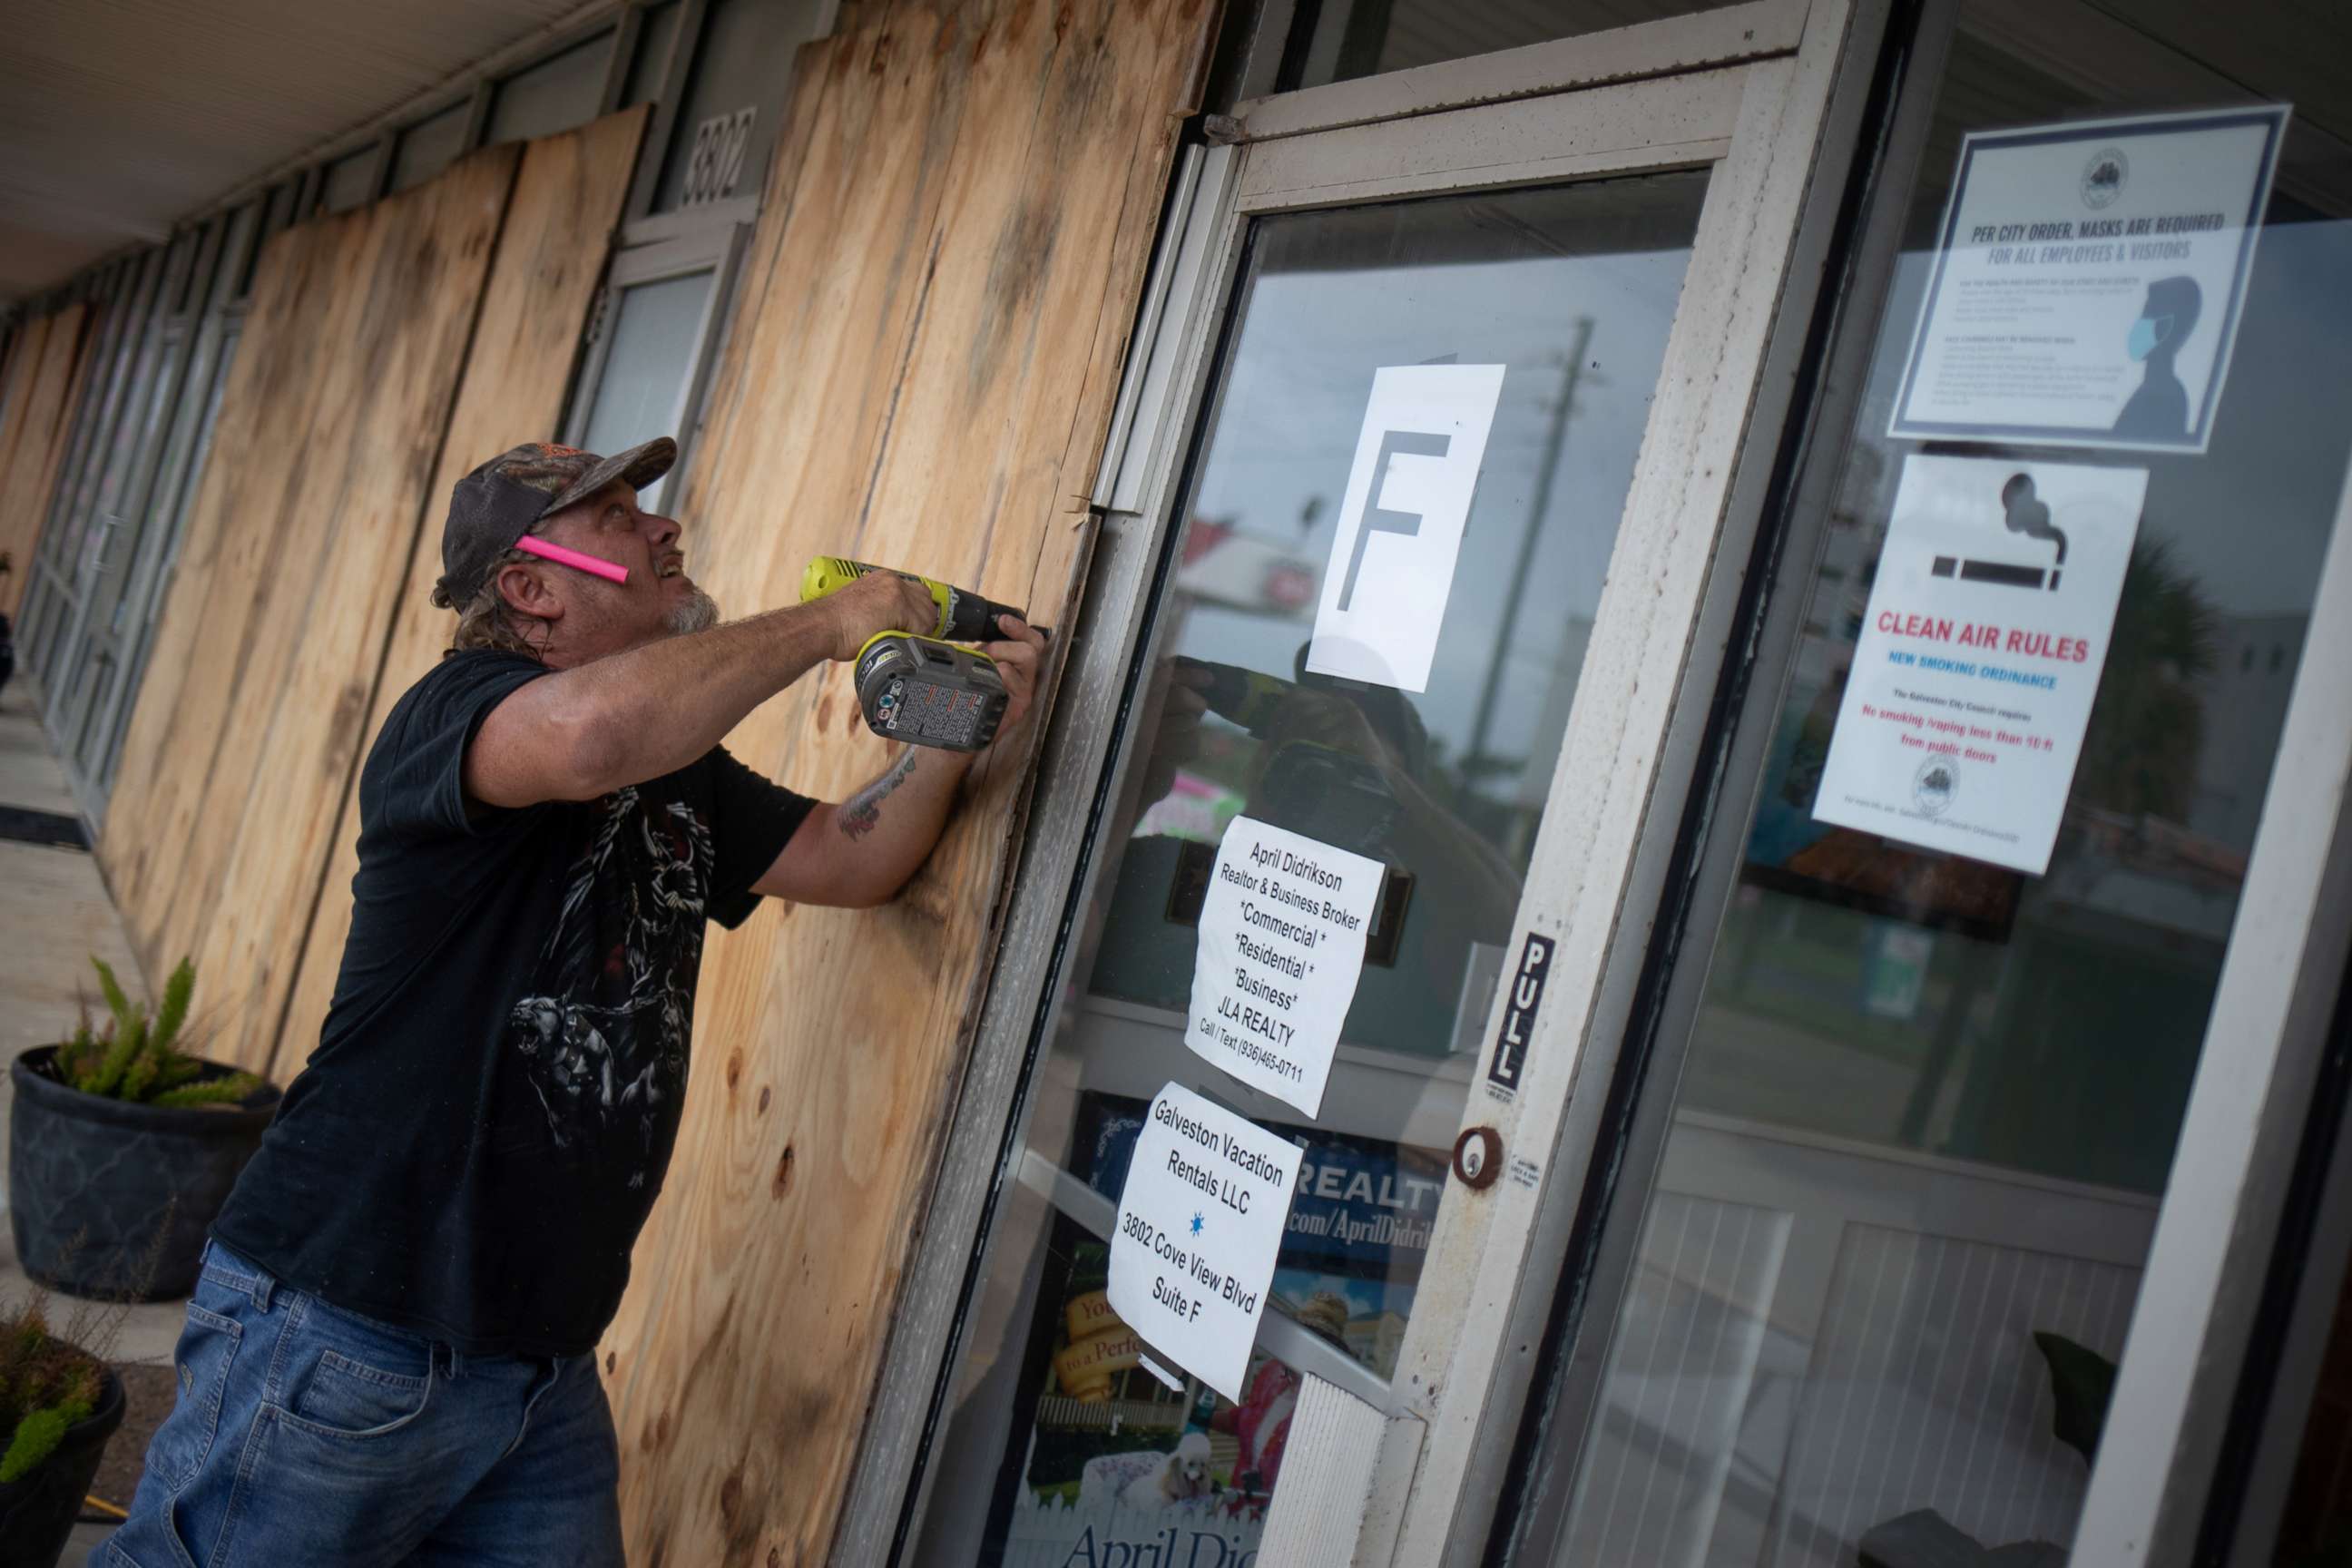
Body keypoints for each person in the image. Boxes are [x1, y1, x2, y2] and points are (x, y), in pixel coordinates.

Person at [107, 438, 1047, 1567]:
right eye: (617, 517)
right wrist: (833, 622)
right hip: (346, 1326)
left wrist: (961, 723)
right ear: (531, 588)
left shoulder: (677, 761)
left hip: (538, 1369)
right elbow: (588, 735)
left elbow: (851, 861)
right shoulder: (457, 713)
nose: (663, 529)